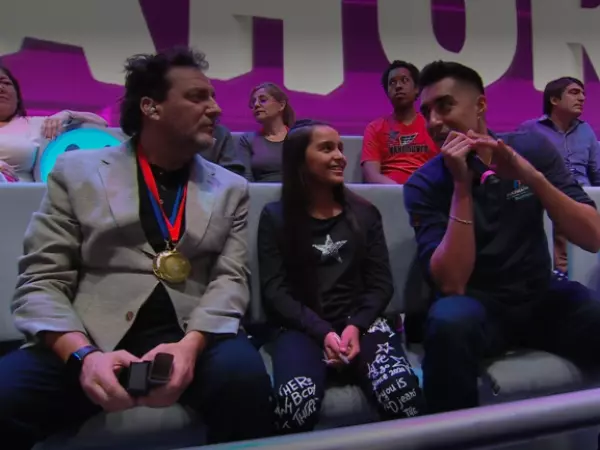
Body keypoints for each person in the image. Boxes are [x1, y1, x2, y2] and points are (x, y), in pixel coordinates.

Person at [0, 48, 274, 449]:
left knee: (245, 383)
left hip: (192, 333)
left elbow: (230, 280)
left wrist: (190, 347)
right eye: (197, 97)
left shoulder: (231, 187)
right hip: (91, 332)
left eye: (213, 97)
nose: (215, 108)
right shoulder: (77, 172)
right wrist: (84, 357)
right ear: (151, 107)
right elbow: (41, 280)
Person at [403, 60, 600, 414]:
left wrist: (533, 178)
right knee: (449, 323)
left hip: (538, 294)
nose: (432, 121)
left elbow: (593, 237)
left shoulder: (530, 149)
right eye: (426, 112)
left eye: (444, 106)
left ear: (480, 105)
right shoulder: (424, 184)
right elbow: (452, 283)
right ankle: (457, 437)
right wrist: (461, 185)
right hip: (477, 303)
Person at [258, 119, 424, 433]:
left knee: (403, 396)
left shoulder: (365, 213)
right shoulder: (275, 218)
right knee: (296, 404)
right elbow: (275, 291)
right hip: (300, 326)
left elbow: (381, 284)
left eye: (340, 148)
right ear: (299, 159)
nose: (340, 157)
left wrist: (355, 326)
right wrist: (323, 332)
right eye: (326, 148)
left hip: (362, 323)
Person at [519, 77, 600, 275]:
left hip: (583, 195)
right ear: (554, 100)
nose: (582, 98)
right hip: (546, 194)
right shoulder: (529, 129)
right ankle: (559, 273)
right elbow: (517, 170)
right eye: (574, 92)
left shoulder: (586, 130)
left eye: (583, 94)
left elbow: (597, 173)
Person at [0, 64, 107, 181]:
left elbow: (102, 124)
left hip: (19, 191)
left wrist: (68, 114)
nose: (1, 88)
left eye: (6, 83)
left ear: (17, 96)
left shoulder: (40, 125)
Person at [361, 60, 438, 184]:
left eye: (404, 80)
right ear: (387, 92)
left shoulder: (433, 124)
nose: (398, 86)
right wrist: (399, 191)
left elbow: (443, 170)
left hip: (426, 190)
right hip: (387, 192)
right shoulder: (374, 128)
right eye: (392, 83)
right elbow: (371, 175)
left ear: (417, 89)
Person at [237, 82, 295, 182]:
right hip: (259, 191)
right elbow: (245, 180)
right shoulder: (247, 140)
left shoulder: (298, 137)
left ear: (281, 105)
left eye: (263, 100)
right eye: (253, 102)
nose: (256, 105)